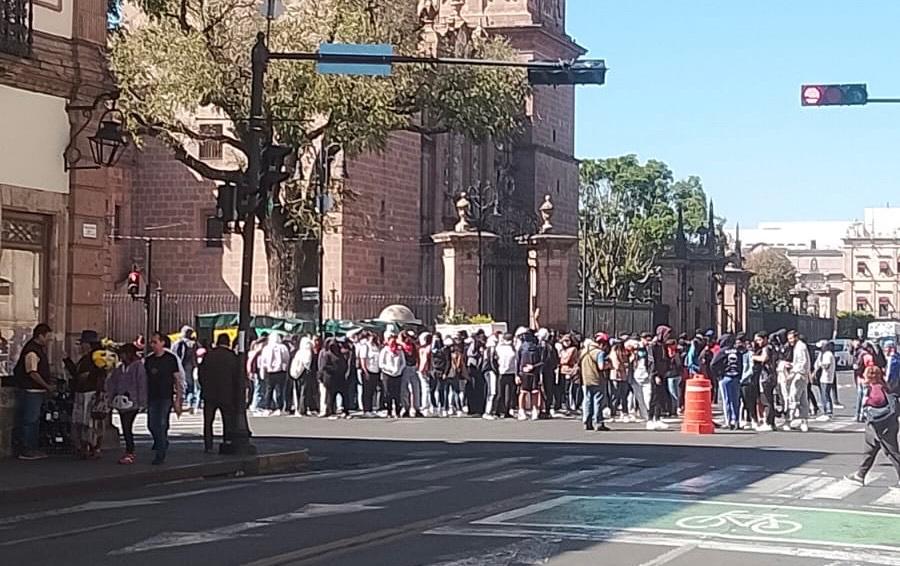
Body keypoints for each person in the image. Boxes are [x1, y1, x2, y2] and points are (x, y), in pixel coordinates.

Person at [845, 366, 900, 487]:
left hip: (881, 426)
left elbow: (876, 402)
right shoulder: (883, 386)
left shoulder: (875, 389)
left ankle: (860, 475)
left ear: (868, 376)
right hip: (883, 425)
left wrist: (866, 404)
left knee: (892, 453)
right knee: (870, 451)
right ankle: (860, 475)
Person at [11, 323, 54, 460]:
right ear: (40, 336)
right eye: (47, 336)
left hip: (34, 390)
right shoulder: (32, 351)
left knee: (32, 420)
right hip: (31, 390)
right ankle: (27, 449)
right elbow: (32, 372)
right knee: (30, 420)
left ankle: (31, 447)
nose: (49, 340)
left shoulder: (37, 349)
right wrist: (46, 385)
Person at [64, 330, 107, 459]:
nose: (81, 346)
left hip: (91, 391)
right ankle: (88, 447)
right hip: (84, 390)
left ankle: (91, 447)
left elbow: (98, 375)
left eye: (83, 343)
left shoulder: (96, 357)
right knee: (84, 421)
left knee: (90, 421)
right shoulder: (87, 358)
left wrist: (99, 392)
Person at [144, 331, 183, 465]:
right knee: (151, 425)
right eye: (151, 342)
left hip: (166, 396)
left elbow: (177, 379)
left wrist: (178, 399)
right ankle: (161, 441)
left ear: (162, 343)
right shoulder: (149, 360)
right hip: (152, 395)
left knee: (161, 423)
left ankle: (160, 453)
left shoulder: (170, 359)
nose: (152, 345)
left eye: (155, 342)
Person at [198, 333, 242, 452]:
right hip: (227, 393)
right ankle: (226, 441)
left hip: (209, 393)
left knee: (208, 421)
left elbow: (200, 373)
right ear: (228, 343)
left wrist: (204, 386)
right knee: (227, 420)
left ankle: (208, 445)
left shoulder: (209, 355)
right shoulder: (232, 356)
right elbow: (237, 376)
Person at [106, 343, 147, 464]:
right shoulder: (119, 368)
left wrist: (142, 402)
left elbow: (142, 383)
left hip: (132, 401)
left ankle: (130, 451)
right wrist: (110, 398)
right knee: (125, 426)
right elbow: (112, 383)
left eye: (123, 353)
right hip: (120, 401)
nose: (121, 356)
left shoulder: (138, 366)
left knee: (127, 426)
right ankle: (129, 450)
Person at [711, 334, 743, 430]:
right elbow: (741, 364)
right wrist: (740, 374)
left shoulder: (722, 351)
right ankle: (736, 420)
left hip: (726, 377)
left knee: (727, 400)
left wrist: (718, 375)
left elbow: (713, 364)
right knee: (736, 400)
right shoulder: (737, 351)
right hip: (736, 377)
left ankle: (728, 421)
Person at [581, 334, 610, 431]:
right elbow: (601, 366)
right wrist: (608, 365)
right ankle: (598, 422)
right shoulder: (599, 353)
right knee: (598, 400)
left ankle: (587, 422)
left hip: (586, 379)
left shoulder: (584, 351)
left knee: (587, 400)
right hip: (597, 379)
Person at [784, 330, 811, 432]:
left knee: (793, 397)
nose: (790, 341)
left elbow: (802, 362)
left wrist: (793, 373)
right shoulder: (800, 346)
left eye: (791, 338)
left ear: (796, 337)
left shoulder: (800, 347)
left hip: (799, 375)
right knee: (803, 399)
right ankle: (804, 421)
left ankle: (789, 420)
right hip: (802, 375)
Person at [259, 333, 290, 416]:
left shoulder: (266, 348)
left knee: (269, 390)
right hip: (281, 371)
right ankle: (279, 408)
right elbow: (287, 359)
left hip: (269, 372)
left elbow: (263, 361)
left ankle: (267, 408)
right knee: (280, 390)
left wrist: (263, 371)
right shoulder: (283, 347)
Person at [647, 326, 671, 430]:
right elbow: (652, 362)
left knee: (660, 396)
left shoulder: (663, 345)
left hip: (662, 373)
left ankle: (658, 417)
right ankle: (651, 419)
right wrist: (655, 374)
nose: (668, 336)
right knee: (654, 397)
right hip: (655, 374)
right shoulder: (653, 346)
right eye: (666, 334)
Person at [516, 329, 543, 421]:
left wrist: (533, 366)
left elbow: (542, 361)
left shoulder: (538, 347)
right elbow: (518, 362)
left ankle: (535, 410)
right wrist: (517, 375)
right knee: (523, 392)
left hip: (534, 373)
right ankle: (521, 410)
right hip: (523, 373)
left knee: (535, 392)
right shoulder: (521, 348)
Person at [753, 332, 777, 432]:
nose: (758, 342)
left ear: (765, 339)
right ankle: (771, 422)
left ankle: (768, 422)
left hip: (766, 377)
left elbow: (764, 358)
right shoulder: (772, 347)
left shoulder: (766, 348)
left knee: (766, 400)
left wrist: (753, 357)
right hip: (770, 376)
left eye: (759, 340)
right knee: (769, 400)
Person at [173, 326, 199, 414]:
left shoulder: (176, 343)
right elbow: (194, 357)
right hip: (189, 366)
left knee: (180, 385)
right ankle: (190, 403)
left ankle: (179, 403)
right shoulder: (192, 344)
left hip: (178, 366)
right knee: (190, 386)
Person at [379, 332, 405, 418]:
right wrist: (390, 369)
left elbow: (403, 363)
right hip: (387, 374)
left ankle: (397, 411)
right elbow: (381, 364)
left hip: (398, 374)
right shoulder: (384, 351)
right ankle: (389, 411)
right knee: (388, 393)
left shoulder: (399, 351)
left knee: (397, 394)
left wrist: (399, 370)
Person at [494, 333, 517, 418]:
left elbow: (495, 357)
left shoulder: (499, 348)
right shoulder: (513, 349)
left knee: (500, 393)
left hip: (501, 372)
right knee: (509, 393)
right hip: (511, 372)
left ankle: (497, 411)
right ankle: (507, 411)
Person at [815, 340, 837, 420]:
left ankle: (828, 412)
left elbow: (826, 366)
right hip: (824, 378)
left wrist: (820, 364)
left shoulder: (828, 354)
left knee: (826, 395)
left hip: (827, 377)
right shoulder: (823, 354)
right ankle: (825, 411)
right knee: (824, 395)